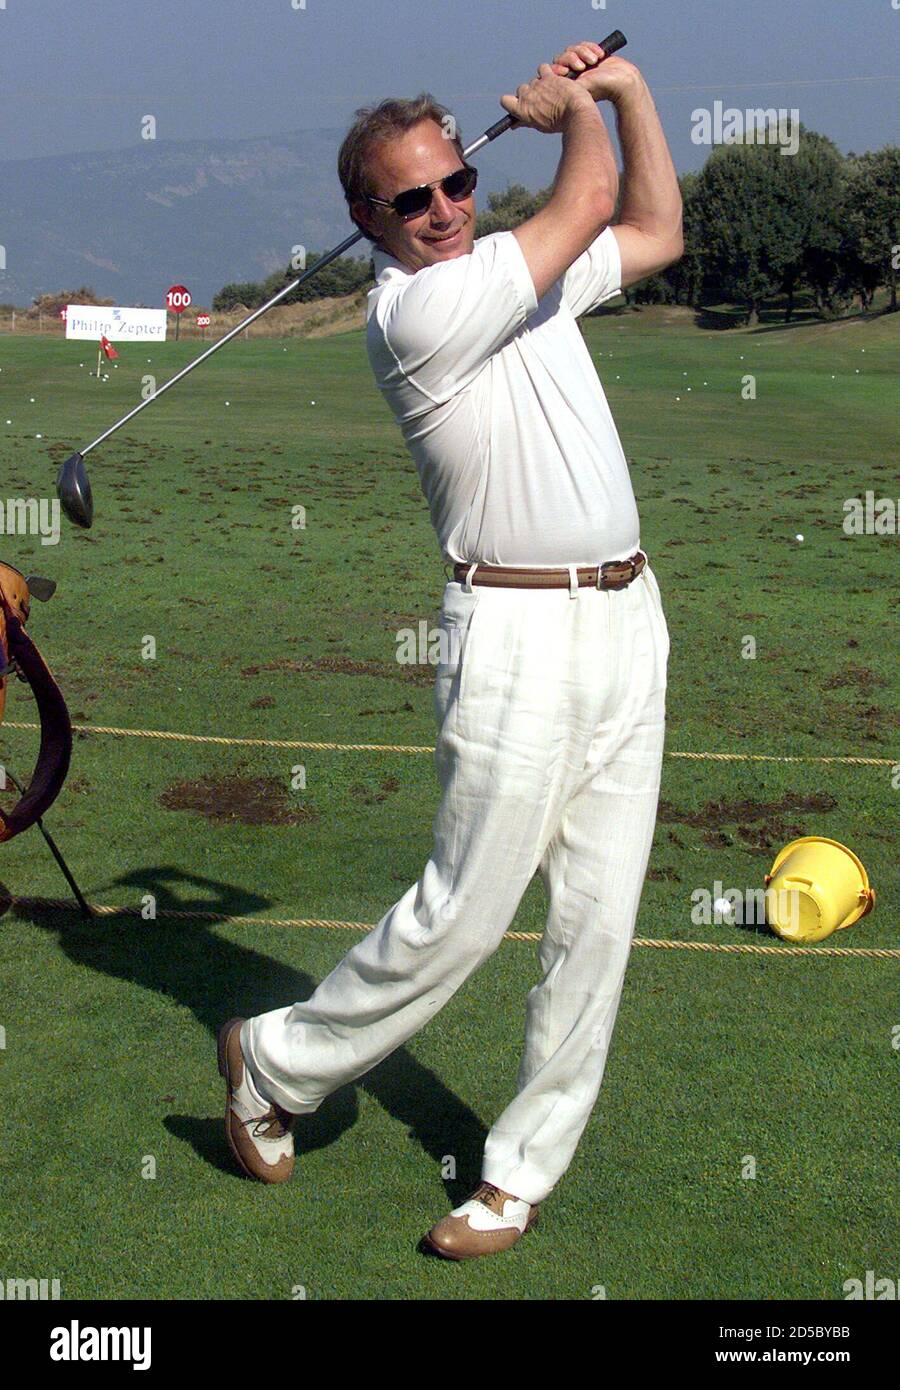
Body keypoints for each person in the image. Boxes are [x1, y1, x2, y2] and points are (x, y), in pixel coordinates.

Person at [218, 39, 683, 1261]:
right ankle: (275, 1056)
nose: (442, 210)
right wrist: (571, 108)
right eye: (410, 199)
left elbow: (648, 226)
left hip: (629, 618)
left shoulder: (513, 274)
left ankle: (517, 1175)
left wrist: (625, 96)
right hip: (516, 628)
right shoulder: (421, 308)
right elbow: (582, 199)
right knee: (465, 913)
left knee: (599, 915)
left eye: (455, 185)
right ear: (368, 222)